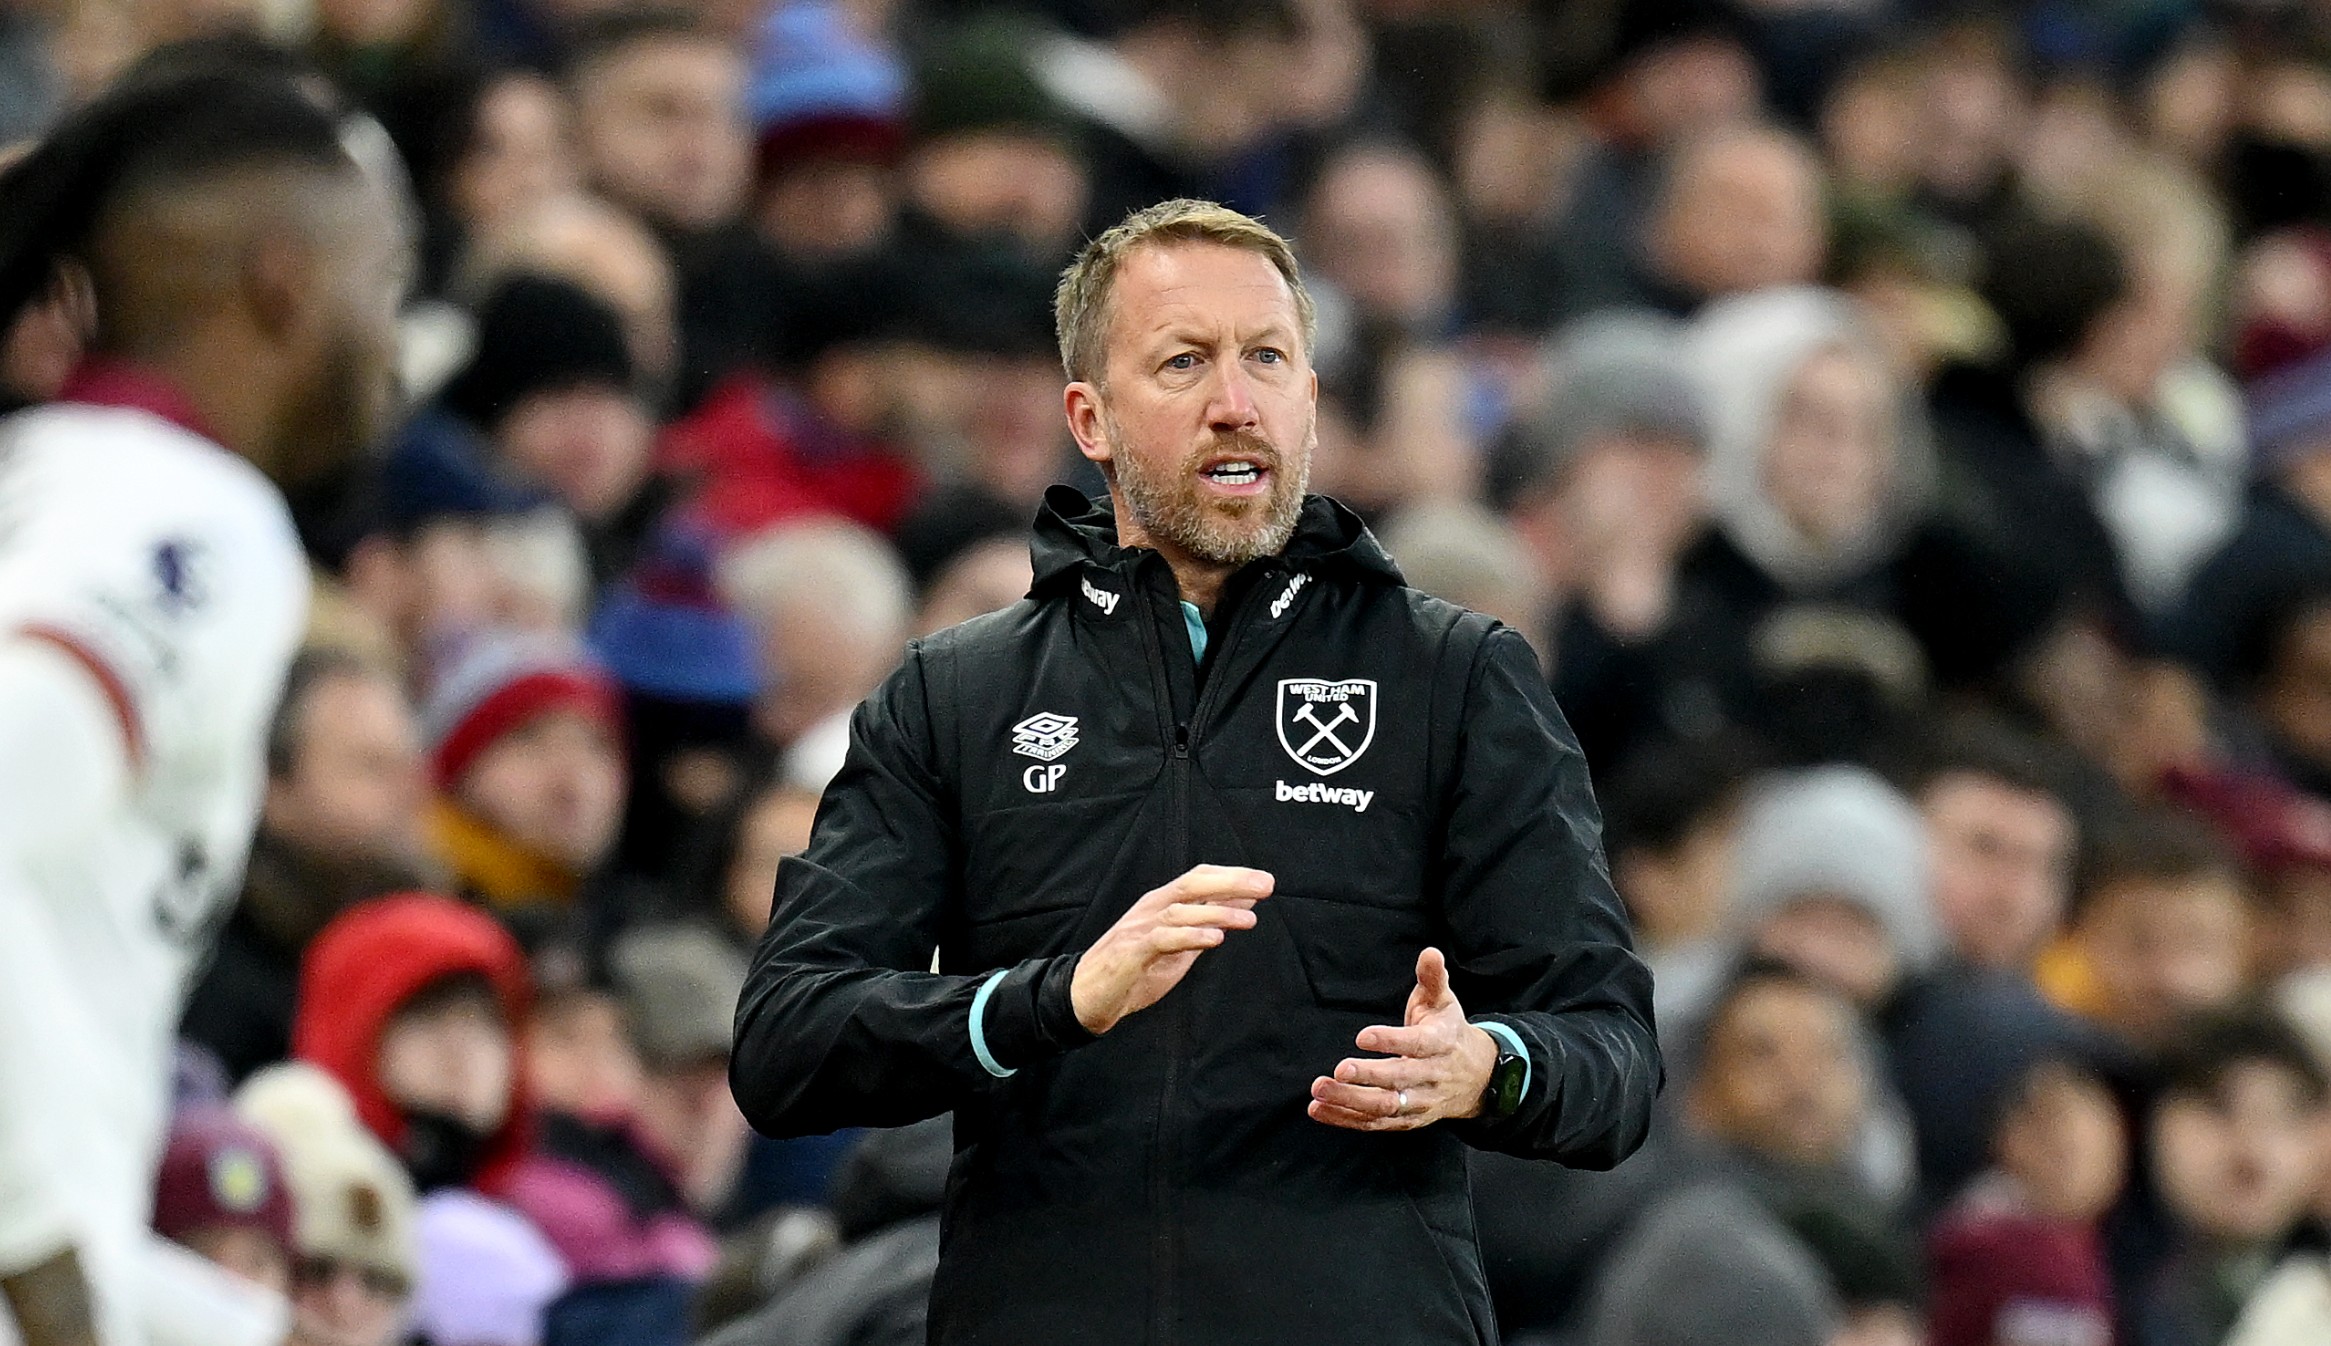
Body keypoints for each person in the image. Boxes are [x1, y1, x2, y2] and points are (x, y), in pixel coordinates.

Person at [727, 198, 1659, 1343]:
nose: (1237, 401)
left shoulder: (1456, 679)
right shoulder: (954, 696)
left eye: (1268, 357)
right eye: (1184, 361)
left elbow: (1614, 1053)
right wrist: (1051, 998)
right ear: (1091, 416)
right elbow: (789, 1043)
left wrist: (1487, 1063)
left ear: (1310, 399)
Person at [0, 66, 406, 1346]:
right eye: (382, 287)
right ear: (283, 279)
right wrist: (40, 1248)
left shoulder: (51, 483)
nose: (391, 340)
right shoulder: (186, 514)